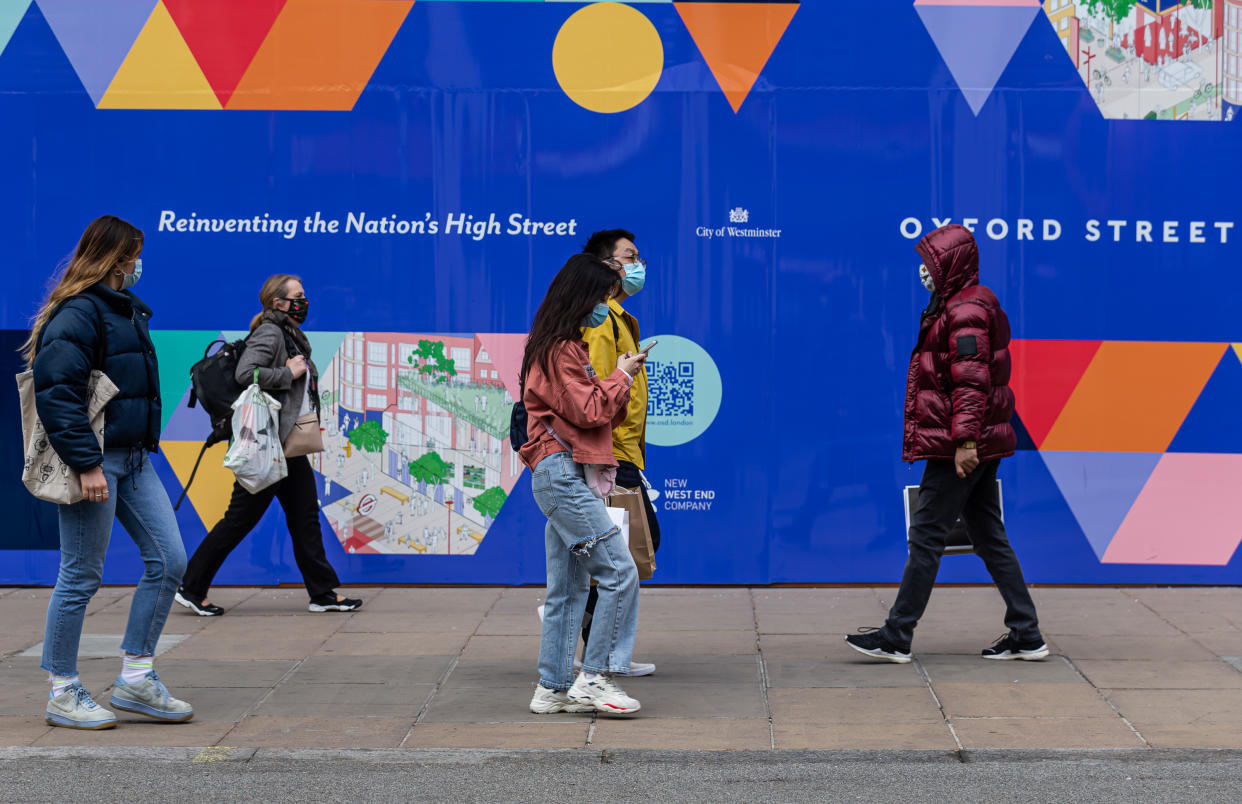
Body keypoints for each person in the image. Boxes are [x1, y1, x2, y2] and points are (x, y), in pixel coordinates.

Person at [846, 224, 1048, 663]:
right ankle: (1027, 633)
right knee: (988, 535)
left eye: (930, 263)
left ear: (950, 265)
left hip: (958, 445)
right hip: (969, 440)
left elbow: (972, 383)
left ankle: (896, 636)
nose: (923, 272)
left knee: (926, 535)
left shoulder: (966, 310)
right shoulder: (961, 305)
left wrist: (966, 442)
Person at [26, 215, 193, 729]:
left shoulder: (123, 309)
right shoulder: (79, 312)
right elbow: (58, 395)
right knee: (80, 575)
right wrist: (87, 465)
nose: (139, 262)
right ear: (116, 257)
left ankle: (137, 678)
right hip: (95, 462)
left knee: (169, 561)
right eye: (134, 253)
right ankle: (62, 690)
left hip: (135, 458)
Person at [175, 274, 361, 616]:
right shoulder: (270, 333)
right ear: (278, 303)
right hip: (268, 446)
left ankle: (322, 592)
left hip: (285, 445)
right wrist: (288, 373)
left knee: (304, 516)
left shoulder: (288, 334)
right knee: (239, 520)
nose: (305, 301)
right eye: (298, 296)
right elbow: (246, 374)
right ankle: (191, 585)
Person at [521, 254, 647, 716]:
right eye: (601, 297)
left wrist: (614, 380)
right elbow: (590, 411)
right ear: (582, 297)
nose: (604, 307)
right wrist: (622, 375)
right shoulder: (559, 350)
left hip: (560, 475)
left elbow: (592, 407)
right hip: (562, 475)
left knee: (569, 588)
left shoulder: (558, 346)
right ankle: (595, 677)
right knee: (619, 571)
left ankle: (552, 687)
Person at [579, 228, 660, 677]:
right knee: (624, 552)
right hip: (611, 452)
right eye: (629, 256)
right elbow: (597, 389)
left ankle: (596, 641)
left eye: (637, 254)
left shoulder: (621, 318)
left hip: (624, 450)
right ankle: (600, 650)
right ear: (608, 266)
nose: (638, 264)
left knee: (620, 552)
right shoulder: (602, 321)